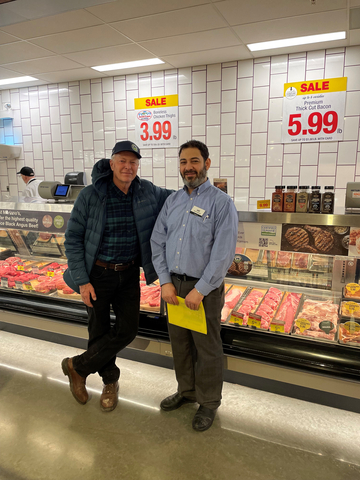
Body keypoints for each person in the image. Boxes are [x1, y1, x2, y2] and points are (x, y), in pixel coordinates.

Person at [62, 140, 173, 412]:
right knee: (98, 331)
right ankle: (110, 382)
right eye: (122, 161)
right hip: (97, 274)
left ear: (138, 166)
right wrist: (82, 280)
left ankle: (77, 366)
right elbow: (73, 239)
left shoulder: (147, 191)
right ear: (111, 164)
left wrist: (210, 194)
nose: (128, 166)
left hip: (129, 274)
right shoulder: (91, 195)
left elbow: (176, 197)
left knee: (128, 329)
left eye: (133, 162)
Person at [151, 140, 238, 432]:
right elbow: (157, 242)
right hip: (173, 288)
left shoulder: (221, 203)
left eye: (194, 161)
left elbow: (223, 253)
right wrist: (164, 281)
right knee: (180, 345)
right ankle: (187, 392)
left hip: (205, 290)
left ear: (207, 164)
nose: (188, 167)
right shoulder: (172, 201)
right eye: (183, 162)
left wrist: (200, 289)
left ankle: (209, 402)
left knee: (208, 349)